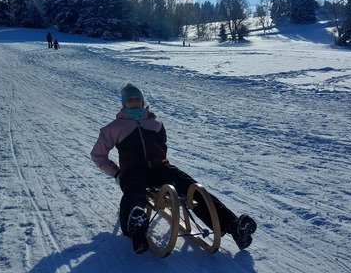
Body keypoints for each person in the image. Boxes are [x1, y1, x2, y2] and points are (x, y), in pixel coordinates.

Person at [90, 84, 257, 254]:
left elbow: (162, 145)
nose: (134, 103)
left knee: (192, 188)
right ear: (124, 103)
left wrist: (159, 160)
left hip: (160, 168)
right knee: (134, 190)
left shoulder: (155, 123)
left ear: (142, 101)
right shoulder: (114, 128)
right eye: (130, 100)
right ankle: (135, 227)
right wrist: (117, 173)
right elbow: (98, 155)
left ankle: (233, 226)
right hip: (133, 171)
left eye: (137, 99)